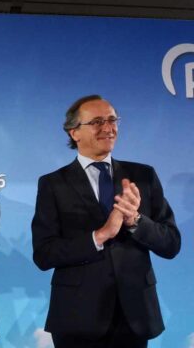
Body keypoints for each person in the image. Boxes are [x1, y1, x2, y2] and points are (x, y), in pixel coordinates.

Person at [31, 95, 181, 348]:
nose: (108, 128)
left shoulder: (143, 176)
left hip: (134, 317)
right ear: (74, 132)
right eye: (97, 121)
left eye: (112, 120)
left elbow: (171, 244)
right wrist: (99, 235)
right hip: (77, 318)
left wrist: (135, 220)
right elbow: (44, 254)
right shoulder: (53, 184)